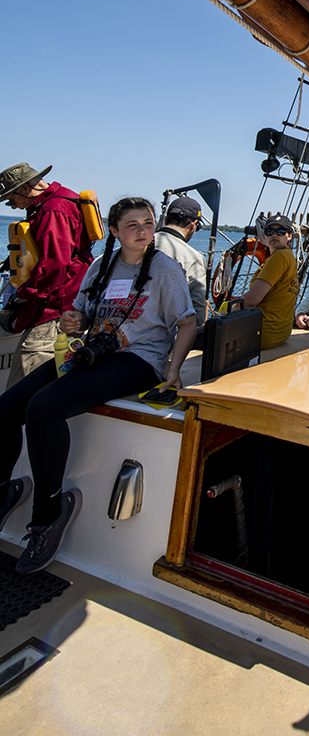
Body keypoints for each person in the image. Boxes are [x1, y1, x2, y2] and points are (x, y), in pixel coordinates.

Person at [0, 197, 195, 575]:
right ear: (115, 231)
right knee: (7, 408)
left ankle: (48, 516)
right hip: (93, 352)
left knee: (44, 408)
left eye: (148, 223)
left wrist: (174, 368)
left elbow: (186, 322)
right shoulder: (101, 266)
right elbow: (81, 313)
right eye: (132, 225)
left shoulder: (165, 270)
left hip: (139, 359)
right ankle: (4, 490)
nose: (142, 231)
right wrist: (71, 321)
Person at [0, 161, 95, 387]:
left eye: (12, 200)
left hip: (55, 307)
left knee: (24, 382)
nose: (13, 207)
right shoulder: (60, 201)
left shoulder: (54, 210)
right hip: (67, 301)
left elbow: (54, 264)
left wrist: (22, 296)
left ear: (24, 188)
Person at [240, 214, 299, 349]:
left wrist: (228, 311)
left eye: (280, 232)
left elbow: (251, 301)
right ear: (264, 235)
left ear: (289, 236)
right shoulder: (288, 255)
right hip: (280, 333)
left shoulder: (279, 257)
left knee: (195, 336)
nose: (274, 235)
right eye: (269, 231)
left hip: (262, 332)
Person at [154, 195, 208, 330]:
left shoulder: (135, 246)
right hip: (163, 338)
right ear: (193, 225)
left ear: (166, 220)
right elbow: (198, 316)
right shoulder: (193, 258)